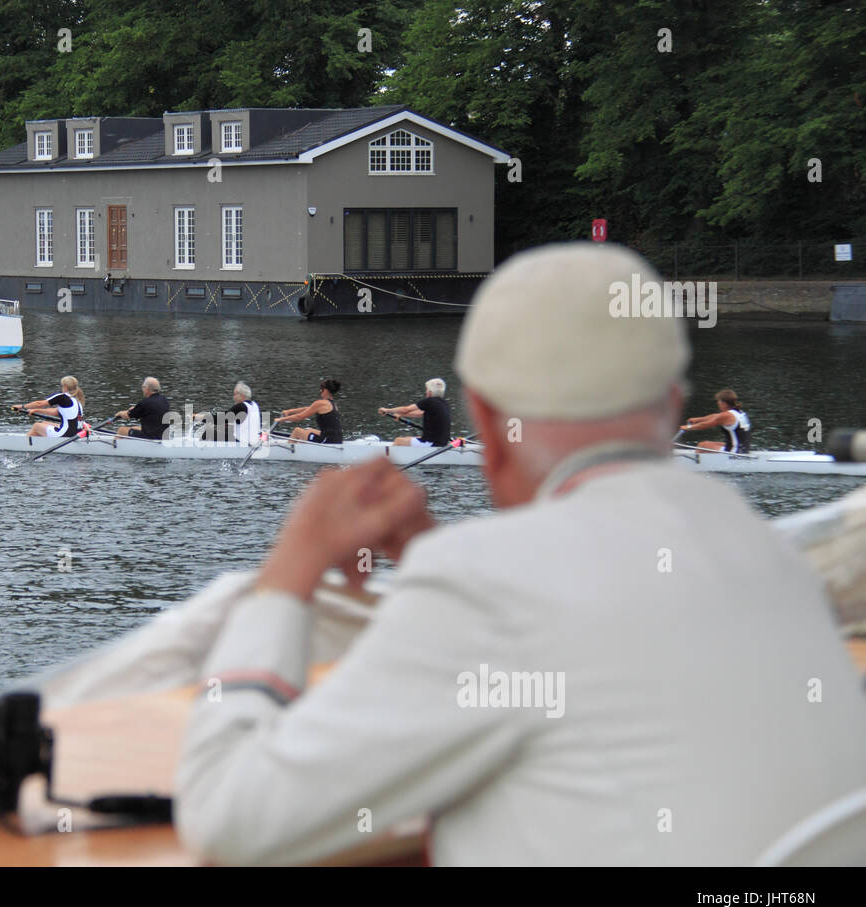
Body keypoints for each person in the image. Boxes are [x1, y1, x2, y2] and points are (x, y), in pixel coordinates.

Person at [174, 242, 866, 866]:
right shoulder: (763, 546)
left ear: (485, 421)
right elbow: (581, 625)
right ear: (674, 402)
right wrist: (434, 561)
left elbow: (230, 820)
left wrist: (288, 571)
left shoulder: (486, 584)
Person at [380, 378, 452, 447]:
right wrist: (401, 415)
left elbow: (406, 409)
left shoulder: (429, 401)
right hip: (442, 442)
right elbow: (420, 414)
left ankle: (391, 458)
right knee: (408, 438)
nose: (425, 392)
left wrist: (387, 410)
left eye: (426, 389)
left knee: (398, 441)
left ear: (430, 392)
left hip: (431, 444)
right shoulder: (444, 404)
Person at [681, 389, 751, 454]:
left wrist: (688, 427)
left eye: (719, 401)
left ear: (724, 403)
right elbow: (715, 416)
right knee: (707, 443)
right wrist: (697, 419)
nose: (718, 403)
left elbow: (705, 425)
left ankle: (697, 465)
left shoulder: (726, 415)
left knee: (702, 445)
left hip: (735, 453)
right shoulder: (739, 412)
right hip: (744, 449)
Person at [13, 376, 85, 438]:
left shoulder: (62, 397)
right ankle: (39, 442)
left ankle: (26, 445)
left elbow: (39, 403)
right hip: (78, 433)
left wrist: (22, 406)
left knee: (36, 426)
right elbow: (55, 412)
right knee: (44, 423)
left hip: (66, 435)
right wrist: (36, 410)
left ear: (65, 386)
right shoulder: (77, 400)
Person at [276, 380, 343, 444]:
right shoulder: (333, 404)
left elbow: (299, 417)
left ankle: (288, 453)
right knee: (308, 430)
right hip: (337, 439)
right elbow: (308, 408)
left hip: (328, 441)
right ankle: (301, 448)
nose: (320, 390)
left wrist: (281, 420)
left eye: (321, 388)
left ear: (325, 390)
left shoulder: (320, 403)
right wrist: (289, 411)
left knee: (297, 431)